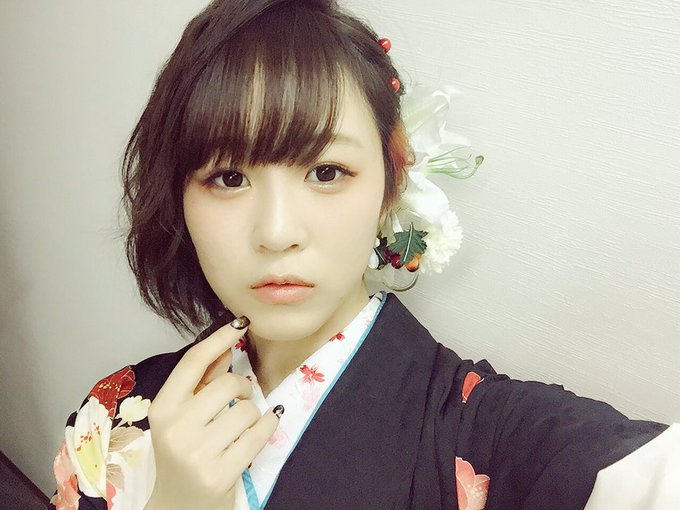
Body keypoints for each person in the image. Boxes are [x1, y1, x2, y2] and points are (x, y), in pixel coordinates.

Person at [49, 1, 679, 509]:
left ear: (390, 184)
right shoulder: (117, 413)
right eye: (228, 178)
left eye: (326, 172)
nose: (277, 232)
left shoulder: (490, 433)